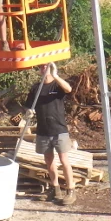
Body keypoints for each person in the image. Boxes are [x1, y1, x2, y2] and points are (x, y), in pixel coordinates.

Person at [27, 62, 75, 205]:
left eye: (46, 66)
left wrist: (55, 75)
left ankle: (71, 190)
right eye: (41, 66)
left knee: (64, 159)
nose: (43, 68)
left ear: (51, 67)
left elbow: (69, 89)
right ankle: (55, 189)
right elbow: (29, 106)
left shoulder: (57, 86)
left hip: (59, 129)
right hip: (43, 130)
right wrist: (28, 112)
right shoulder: (36, 88)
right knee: (48, 160)